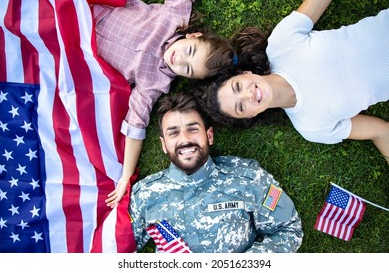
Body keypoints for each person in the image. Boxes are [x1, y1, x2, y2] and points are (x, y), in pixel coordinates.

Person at [195, 0, 389, 165]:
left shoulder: (281, 45)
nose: (248, 95)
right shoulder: (312, 127)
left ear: (244, 73)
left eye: (237, 87)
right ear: (250, 116)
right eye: (241, 107)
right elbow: (381, 132)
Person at [92, 0, 236, 207]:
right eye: (189, 51)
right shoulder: (174, 17)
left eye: (187, 69)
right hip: (93, 4)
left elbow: (136, 123)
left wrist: (125, 176)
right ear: (193, 36)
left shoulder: (155, 82)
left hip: (77, 42)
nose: (179, 59)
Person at [129, 92, 303, 253]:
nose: (185, 139)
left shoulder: (248, 178)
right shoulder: (144, 195)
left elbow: (288, 229)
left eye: (193, 129)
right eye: (173, 133)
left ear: (209, 135)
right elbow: (115, 250)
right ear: (163, 145)